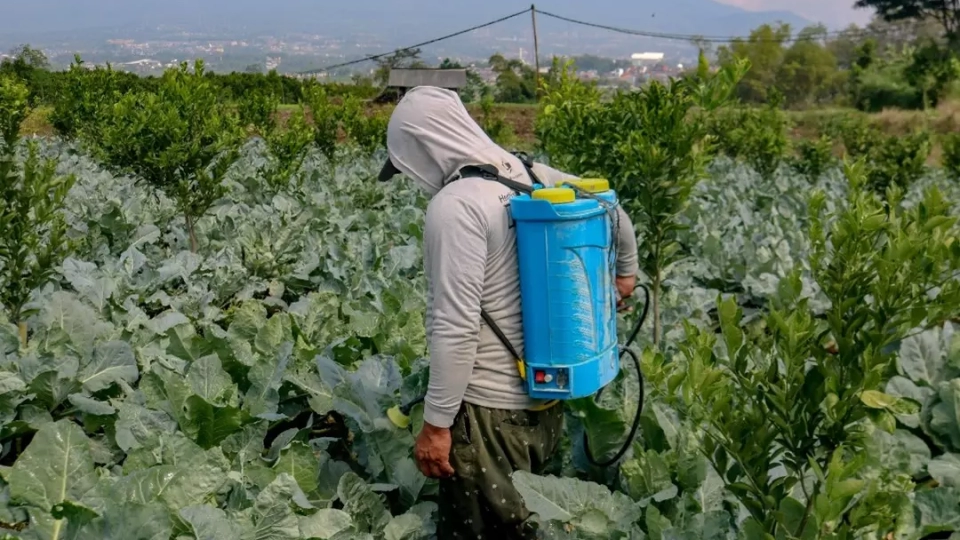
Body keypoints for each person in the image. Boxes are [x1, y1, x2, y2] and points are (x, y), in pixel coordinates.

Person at [378, 85, 639, 539]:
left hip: (488, 417)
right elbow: (612, 209)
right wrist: (626, 274)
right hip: (545, 405)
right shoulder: (529, 172)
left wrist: (437, 426)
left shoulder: (457, 205)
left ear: (423, 146)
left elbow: (455, 327)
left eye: (406, 164)